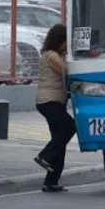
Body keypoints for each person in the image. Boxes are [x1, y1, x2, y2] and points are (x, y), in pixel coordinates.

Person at [33, 24, 75, 193]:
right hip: (48, 101)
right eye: (66, 41)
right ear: (59, 40)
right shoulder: (51, 56)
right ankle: (44, 156)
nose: (67, 45)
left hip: (55, 101)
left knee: (60, 139)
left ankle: (51, 181)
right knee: (70, 127)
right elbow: (66, 70)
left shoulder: (55, 55)